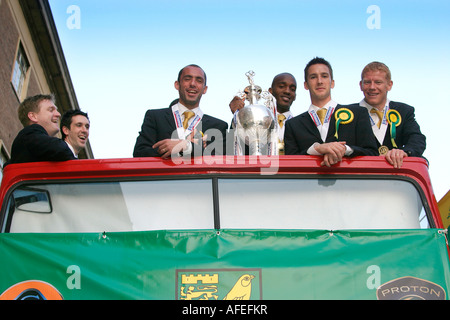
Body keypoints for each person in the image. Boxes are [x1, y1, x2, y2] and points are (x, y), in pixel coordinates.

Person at [284, 57, 378, 166]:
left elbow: (372, 153)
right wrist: (316, 149)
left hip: (350, 181)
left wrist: (344, 149)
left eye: (324, 76)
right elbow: (291, 163)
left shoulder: (358, 114)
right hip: (310, 182)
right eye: (313, 77)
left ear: (332, 83)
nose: (319, 81)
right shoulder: (293, 125)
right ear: (306, 85)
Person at [133, 64, 228, 159]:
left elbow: (220, 159)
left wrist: (187, 146)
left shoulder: (218, 126)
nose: (193, 84)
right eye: (187, 79)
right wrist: (169, 148)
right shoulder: (155, 117)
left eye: (199, 81)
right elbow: (139, 152)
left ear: (204, 89)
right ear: (177, 85)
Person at [355, 61, 426, 168]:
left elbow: (417, 138)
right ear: (361, 85)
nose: (372, 87)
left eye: (378, 82)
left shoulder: (404, 111)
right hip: (359, 177)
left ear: (389, 85)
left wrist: (405, 152)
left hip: (395, 178)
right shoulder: (347, 113)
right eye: (367, 82)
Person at [229, 73, 297, 154]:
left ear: (295, 95)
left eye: (292, 89)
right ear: (270, 91)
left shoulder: (300, 125)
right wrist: (238, 118)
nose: (287, 91)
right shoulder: (257, 122)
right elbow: (232, 149)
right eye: (281, 86)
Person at [4, 94, 76, 166]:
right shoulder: (30, 134)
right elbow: (60, 149)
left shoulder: (27, 146)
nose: (58, 114)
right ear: (33, 116)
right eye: (51, 110)